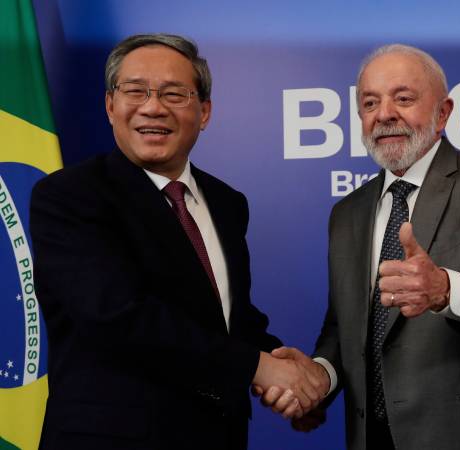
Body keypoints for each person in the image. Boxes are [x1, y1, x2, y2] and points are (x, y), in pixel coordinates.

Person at [30, 34, 326, 450]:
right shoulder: (68, 196)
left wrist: (292, 377)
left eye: (173, 94)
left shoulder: (226, 202)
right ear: (110, 105)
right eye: (135, 91)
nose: (153, 107)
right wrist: (258, 368)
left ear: (204, 112)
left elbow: (227, 319)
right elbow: (118, 316)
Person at [294, 44, 460, 450]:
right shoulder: (346, 214)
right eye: (370, 102)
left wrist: (445, 289)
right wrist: (319, 377)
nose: (384, 114)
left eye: (403, 99)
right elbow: (344, 327)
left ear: (443, 113)